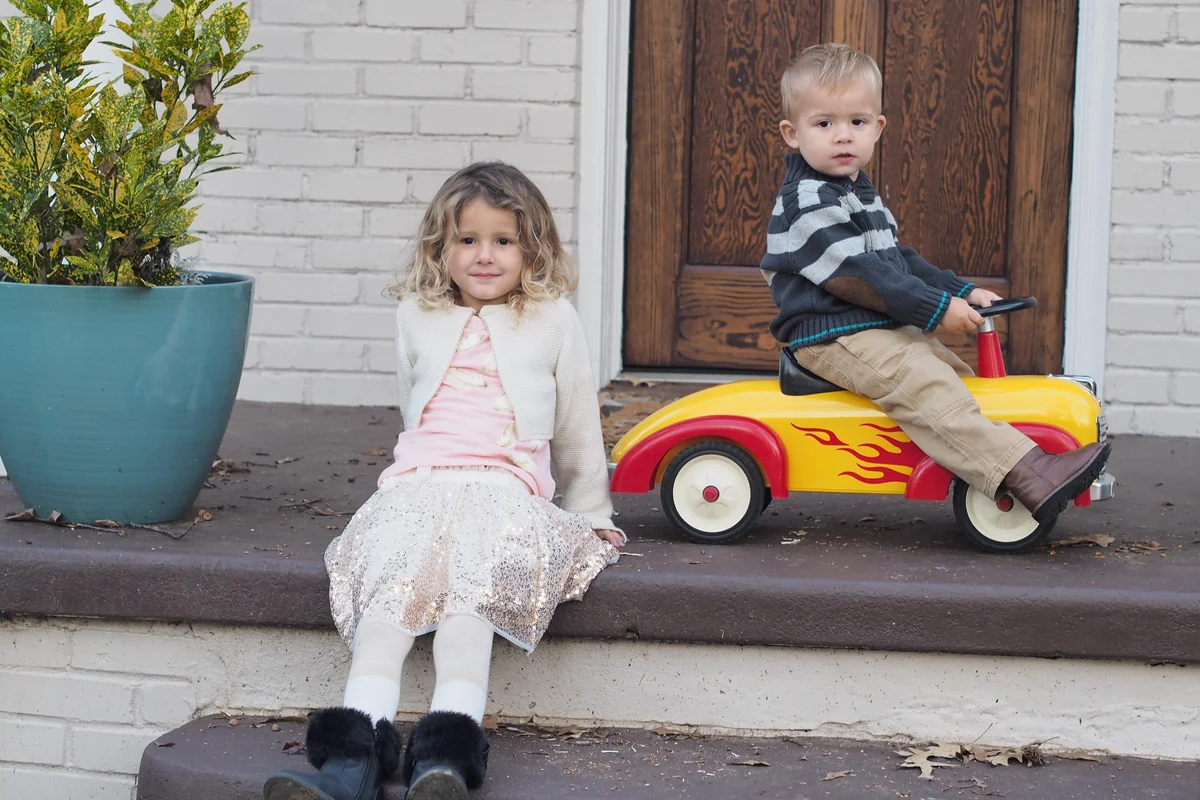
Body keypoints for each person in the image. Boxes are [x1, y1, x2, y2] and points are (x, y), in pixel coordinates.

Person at [264, 161, 624, 800]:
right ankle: (350, 766)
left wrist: (591, 509)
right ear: (441, 247)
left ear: (532, 247)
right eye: (467, 239)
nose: (485, 255)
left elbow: (575, 422)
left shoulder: (552, 320)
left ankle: (445, 761)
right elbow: (413, 403)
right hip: (418, 490)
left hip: (503, 494)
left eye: (503, 240)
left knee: (468, 613)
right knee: (386, 613)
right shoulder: (417, 314)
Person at [762, 43, 1109, 521]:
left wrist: (959, 291)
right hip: (831, 334)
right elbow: (858, 275)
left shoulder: (854, 190)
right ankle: (1028, 473)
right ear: (792, 134)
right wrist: (936, 309)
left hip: (871, 328)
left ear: (878, 128)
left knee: (956, 379)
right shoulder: (806, 200)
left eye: (857, 122)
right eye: (824, 124)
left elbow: (897, 259)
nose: (843, 135)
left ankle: (992, 468)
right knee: (925, 384)